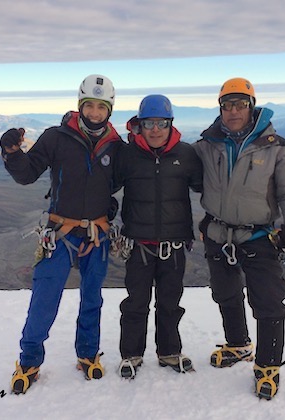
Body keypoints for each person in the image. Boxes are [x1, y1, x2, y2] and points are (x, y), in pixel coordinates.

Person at [0, 74, 123, 393]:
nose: (94, 113)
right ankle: (29, 361)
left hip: (96, 234)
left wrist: (108, 207)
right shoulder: (56, 137)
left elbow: (117, 184)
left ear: (110, 109)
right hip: (60, 232)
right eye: (89, 105)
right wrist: (13, 154)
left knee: (92, 299)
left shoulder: (116, 145)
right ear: (79, 105)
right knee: (44, 299)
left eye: (101, 107)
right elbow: (28, 173)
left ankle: (87, 354)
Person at [193, 77, 285, 400]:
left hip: (259, 235)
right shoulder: (207, 145)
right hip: (218, 233)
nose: (233, 111)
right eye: (227, 105)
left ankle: (268, 364)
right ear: (220, 109)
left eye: (240, 104)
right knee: (225, 293)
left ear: (251, 107)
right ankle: (238, 344)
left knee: (268, 301)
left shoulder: (276, 147)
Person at [112, 94, 203, 379]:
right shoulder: (127, 156)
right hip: (138, 245)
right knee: (136, 303)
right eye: (149, 123)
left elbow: (207, 188)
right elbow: (104, 186)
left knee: (170, 303)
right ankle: (131, 355)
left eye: (161, 123)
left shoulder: (186, 154)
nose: (155, 129)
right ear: (138, 125)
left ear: (170, 124)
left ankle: (169, 351)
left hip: (174, 245)